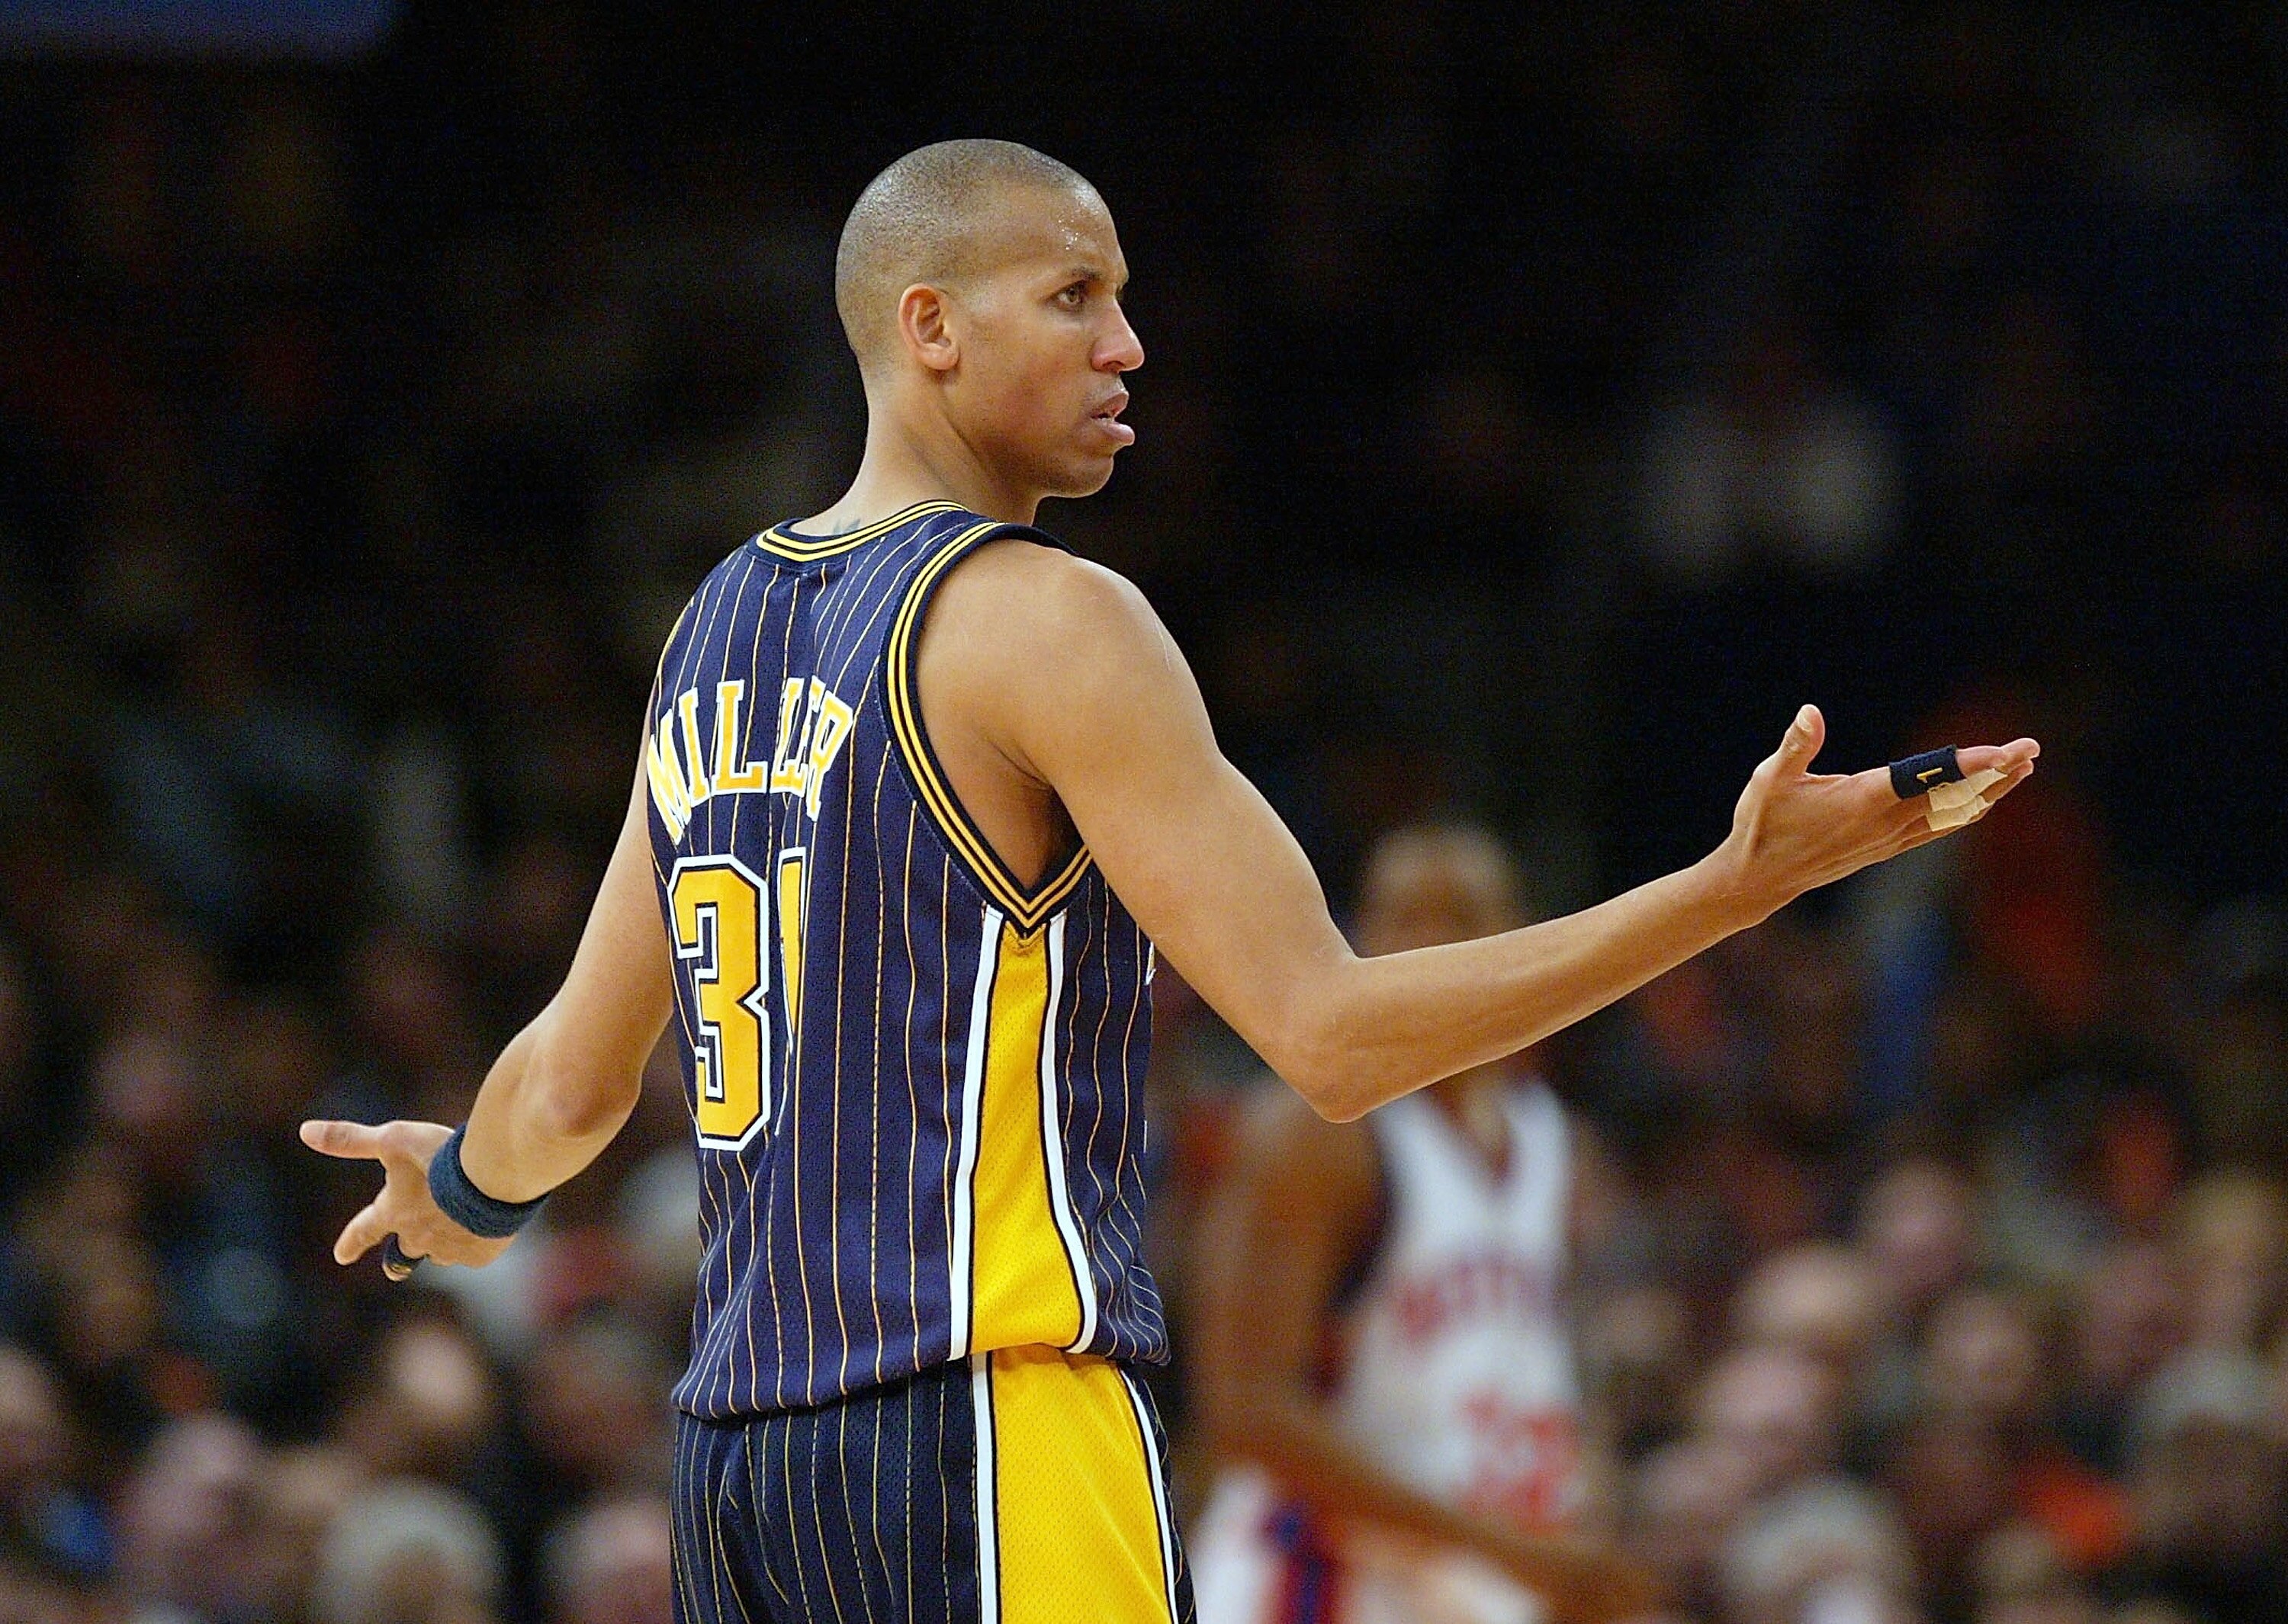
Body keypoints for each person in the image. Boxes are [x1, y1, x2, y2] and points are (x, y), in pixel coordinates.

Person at [300, 137, 2039, 1623]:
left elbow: (568, 1083)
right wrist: (1732, 890)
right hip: (985, 1427)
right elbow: (1334, 1039)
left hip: (737, 1475)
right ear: (928, 328)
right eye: (1071, 298)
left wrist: (459, 1183)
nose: (1127, 342)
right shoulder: (1049, 621)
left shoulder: (713, 629)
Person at [1187, 822, 1645, 1624]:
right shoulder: (1314, 1134)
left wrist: (1582, 1518)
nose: (1431, 944)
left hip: (1480, 1584)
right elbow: (1247, 1414)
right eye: (1404, 917)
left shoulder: (1554, 1139)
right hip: (1311, 1589)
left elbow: (1557, 1364)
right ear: (1359, 938)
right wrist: (1507, 1549)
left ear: (1521, 935)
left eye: (1461, 916)